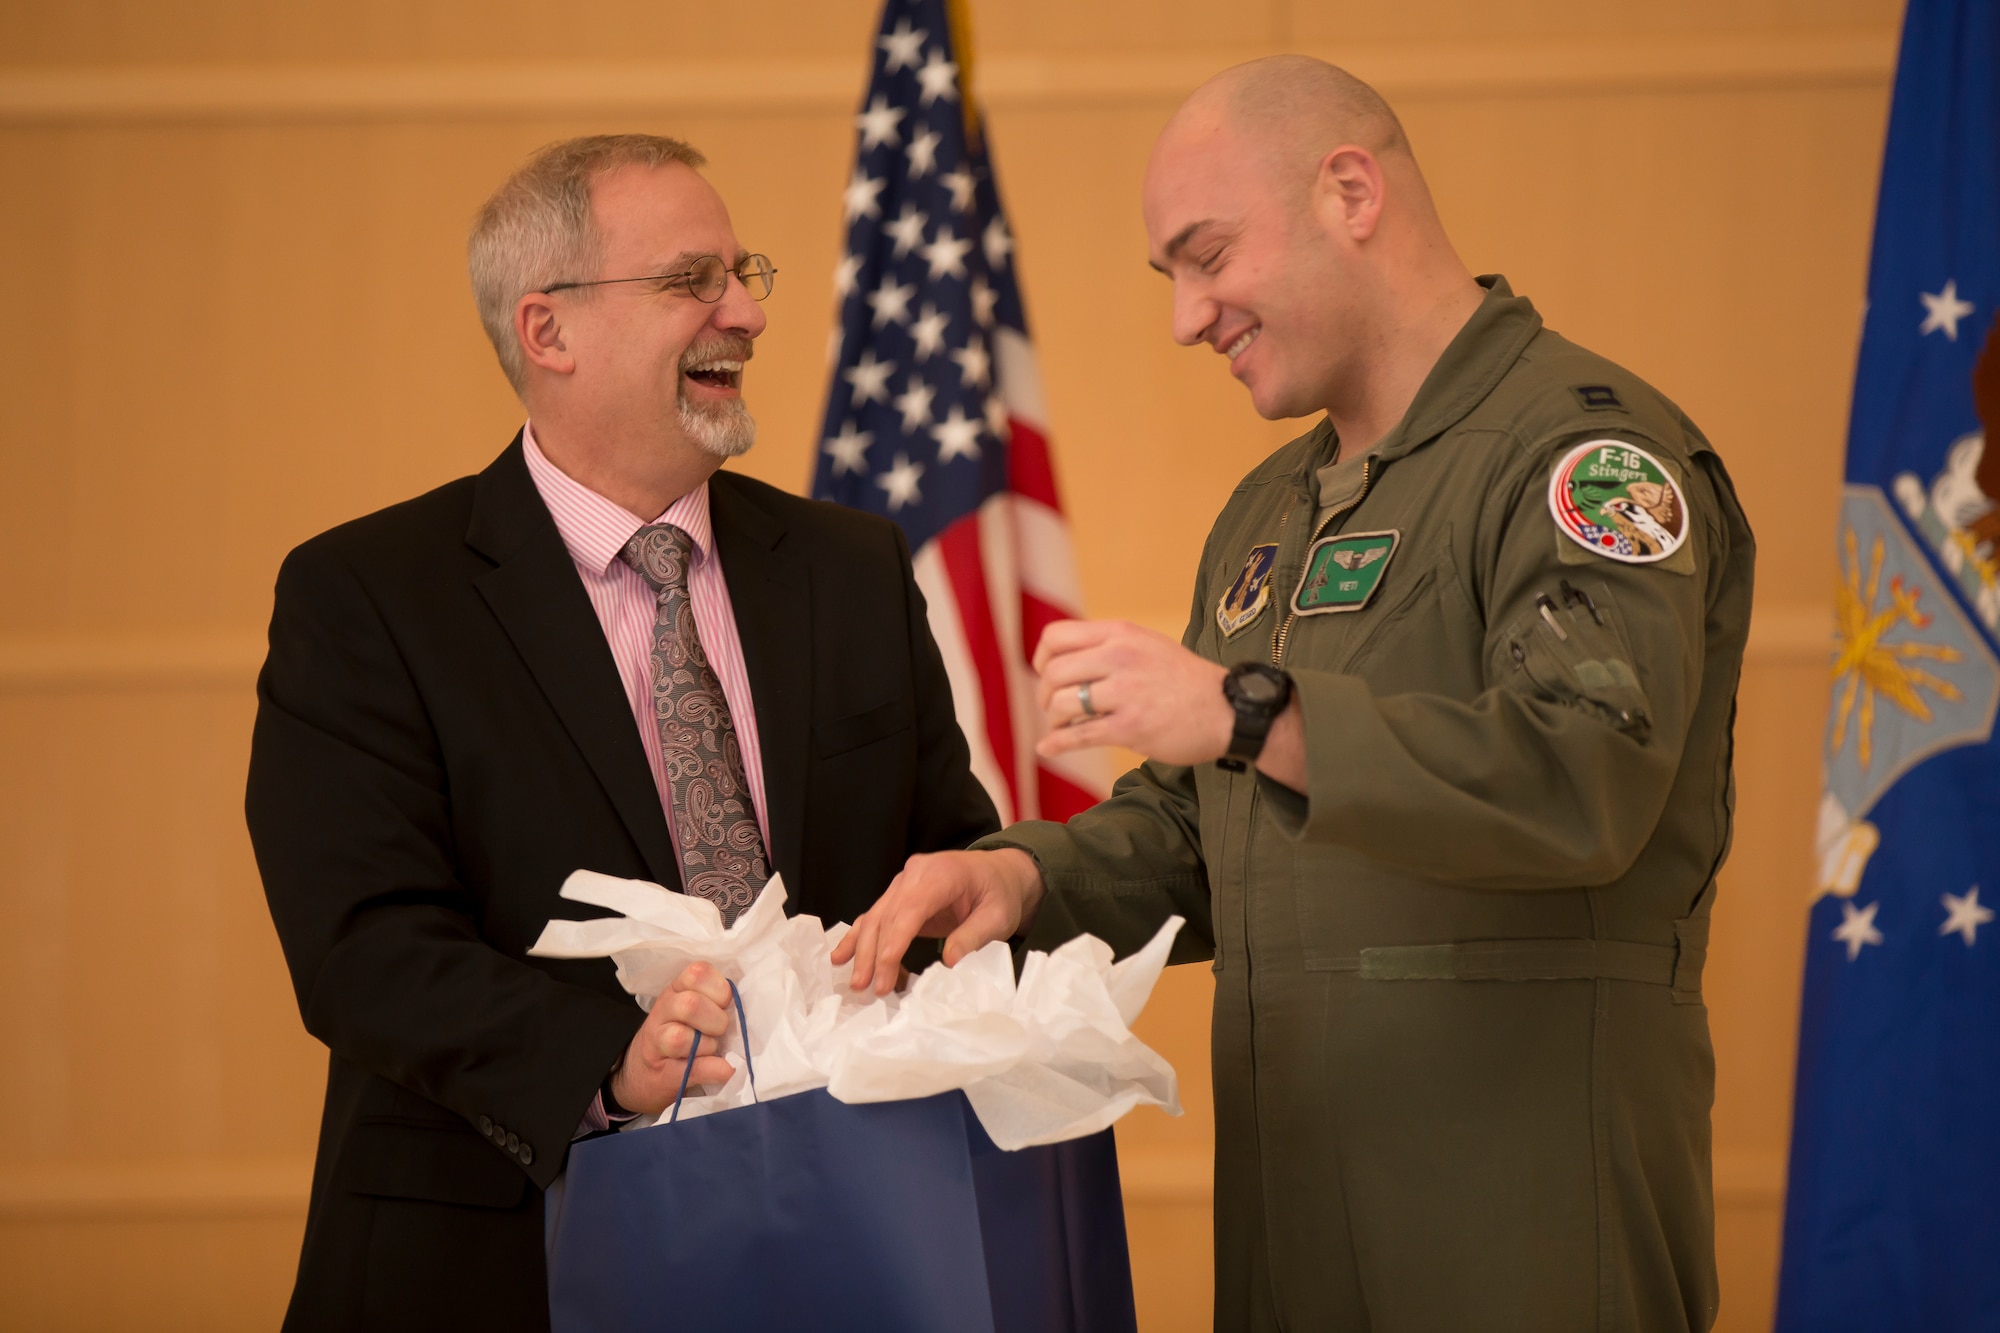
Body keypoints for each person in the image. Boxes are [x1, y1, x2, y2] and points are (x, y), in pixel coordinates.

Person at [837, 56, 1754, 1332]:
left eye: (1206, 255)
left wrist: (1247, 709)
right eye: (1169, 277)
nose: (1186, 316)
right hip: (1293, 1220)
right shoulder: (1269, 512)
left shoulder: (1583, 456)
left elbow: (1576, 780)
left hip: (1522, 1217)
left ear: (1349, 191)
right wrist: (1022, 878)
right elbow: (1205, 829)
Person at [246, 134, 997, 1332]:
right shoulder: (372, 593)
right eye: (690, 280)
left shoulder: (848, 568)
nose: (745, 312)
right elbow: (363, 943)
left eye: (743, 272)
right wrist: (610, 1062)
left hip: (841, 1245)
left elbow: (941, 862)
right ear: (549, 331)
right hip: (500, 1254)